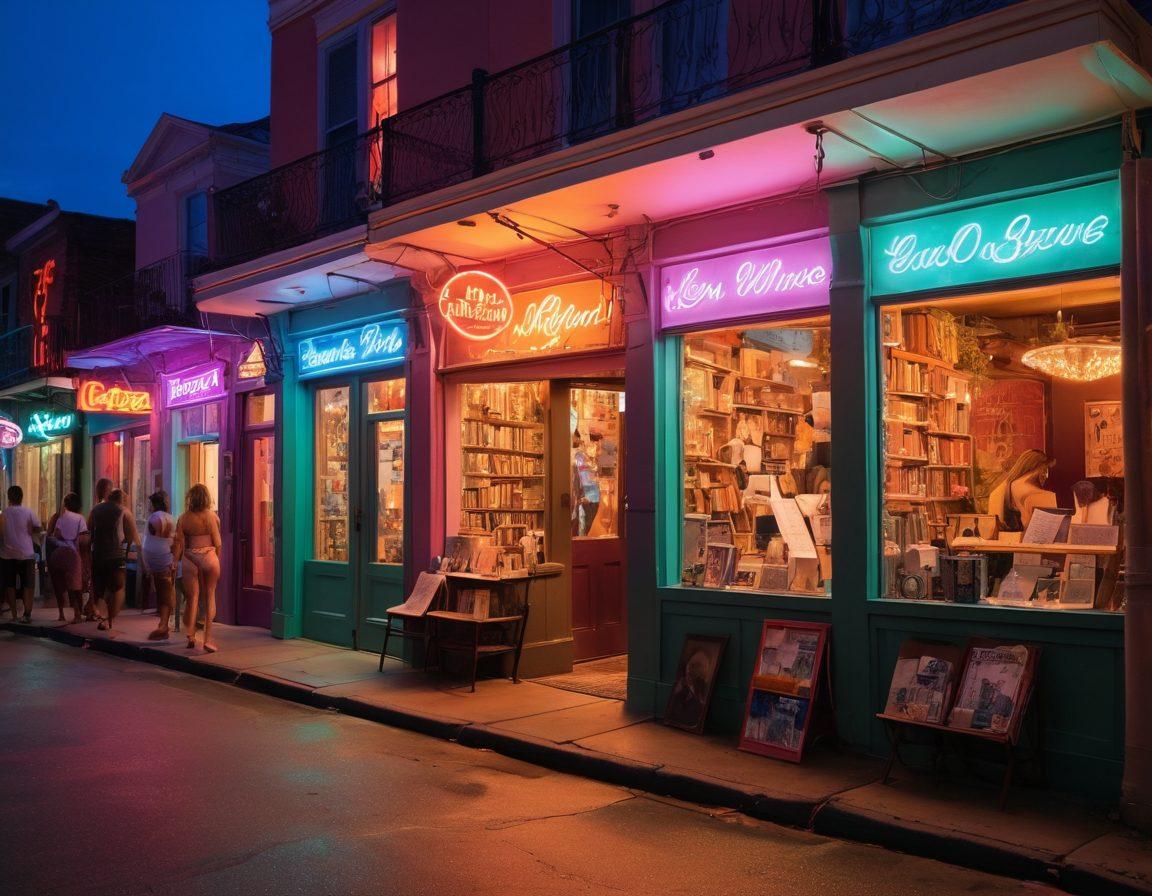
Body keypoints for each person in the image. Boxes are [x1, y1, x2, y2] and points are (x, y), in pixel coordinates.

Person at [173, 484, 222, 652]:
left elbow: (179, 543)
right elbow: (218, 543)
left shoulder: (184, 518)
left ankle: (191, 635)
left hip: (189, 556)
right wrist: (217, 558)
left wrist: (174, 561)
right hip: (209, 556)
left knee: (192, 597)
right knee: (210, 595)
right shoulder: (212, 517)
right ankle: (207, 639)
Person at [89, 488, 140, 636]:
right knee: (118, 589)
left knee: (100, 590)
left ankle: (104, 618)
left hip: (98, 555)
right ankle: (109, 618)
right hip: (116, 556)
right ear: (122, 500)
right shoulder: (124, 511)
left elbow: (88, 530)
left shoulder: (95, 510)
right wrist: (130, 548)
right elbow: (132, 536)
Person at [0, 486, 43, 623]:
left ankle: (13, 615)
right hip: (27, 553)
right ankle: (27, 614)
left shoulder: (3, 514)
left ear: (9, 498)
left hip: (7, 554)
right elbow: (38, 527)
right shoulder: (28, 512)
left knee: (10, 585)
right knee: (28, 585)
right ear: (22, 497)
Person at [986, 449, 1056, 530]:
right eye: (1045, 469)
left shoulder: (1001, 489)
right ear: (1040, 468)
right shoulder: (1035, 492)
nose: (1045, 476)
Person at [46, 493, 88, 623]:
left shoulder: (59, 518)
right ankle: (77, 614)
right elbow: (83, 540)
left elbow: (56, 535)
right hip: (72, 554)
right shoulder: (80, 518)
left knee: (58, 584)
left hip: (57, 553)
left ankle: (61, 614)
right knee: (75, 586)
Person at [141, 491, 177, 640]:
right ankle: (164, 624)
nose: (149, 507)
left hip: (158, 558)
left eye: (150, 504)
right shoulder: (171, 518)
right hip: (165, 556)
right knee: (165, 589)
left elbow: (157, 533)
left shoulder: (155, 517)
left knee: (164, 591)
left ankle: (163, 625)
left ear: (155, 504)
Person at [83, 478, 113, 620]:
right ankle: (96, 609)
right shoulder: (106, 508)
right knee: (102, 583)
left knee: (98, 582)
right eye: (110, 489)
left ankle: (95, 609)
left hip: (99, 549)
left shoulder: (96, 509)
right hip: (105, 550)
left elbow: (89, 529)